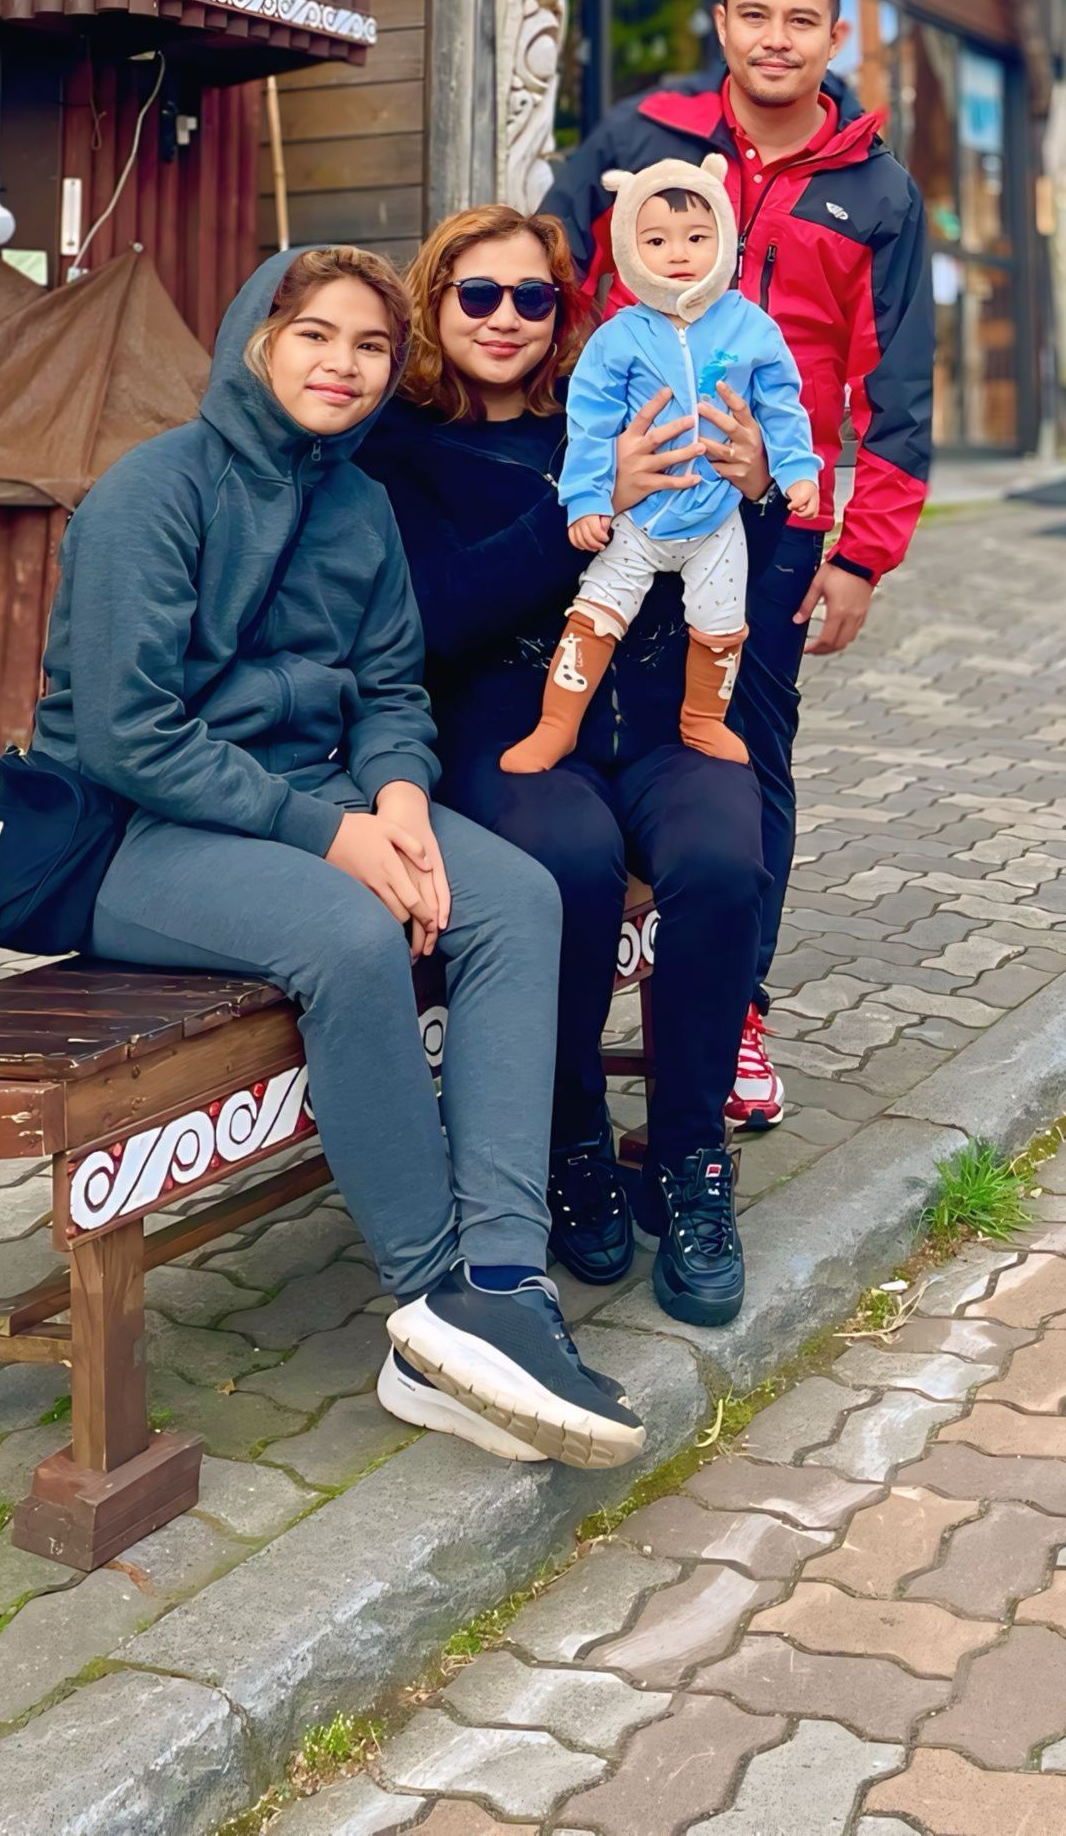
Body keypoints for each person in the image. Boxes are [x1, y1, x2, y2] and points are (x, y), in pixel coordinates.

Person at [20, 246, 642, 1474]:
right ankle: (429, 1309)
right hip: (131, 833)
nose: (344, 366)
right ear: (258, 339)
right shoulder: (155, 492)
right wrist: (340, 836)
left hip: (317, 803)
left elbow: (390, 686)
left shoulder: (358, 504)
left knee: (512, 896)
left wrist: (402, 796)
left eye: (369, 347)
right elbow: (131, 734)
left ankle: (505, 1280)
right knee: (349, 933)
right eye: (314, 336)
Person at [552, 0, 933, 1134]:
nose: (776, 39)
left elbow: (898, 394)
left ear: (835, 38)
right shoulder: (643, 141)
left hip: (769, 526)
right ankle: (548, 994)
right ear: (722, 25)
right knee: (570, 720)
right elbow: (545, 289)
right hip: (617, 504)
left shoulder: (876, 192)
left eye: (801, 21)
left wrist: (863, 552)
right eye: (754, 15)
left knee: (742, 754)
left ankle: (736, 1006)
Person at [358, 203, 764, 1328]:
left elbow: (724, 549)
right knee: (570, 863)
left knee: (729, 856)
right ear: (436, 305)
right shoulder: (396, 450)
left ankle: (690, 1158)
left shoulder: (612, 411)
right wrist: (586, 505)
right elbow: (429, 619)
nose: (504, 318)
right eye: (475, 294)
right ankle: (571, 1130)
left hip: (649, 726)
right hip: (503, 739)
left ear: (563, 309)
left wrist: (762, 483)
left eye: (531, 297)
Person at [506, 156, 819, 772]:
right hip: (638, 519)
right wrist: (589, 499)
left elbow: (781, 403)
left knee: (722, 622)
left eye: (698, 238)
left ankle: (703, 722)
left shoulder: (750, 325)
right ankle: (557, 724)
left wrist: (797, 470)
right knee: (596, 611)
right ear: (628, 245)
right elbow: (591, 423)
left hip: (717, 518)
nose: (678, 253)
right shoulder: (620, 335)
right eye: (655, 240)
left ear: (725, 237)